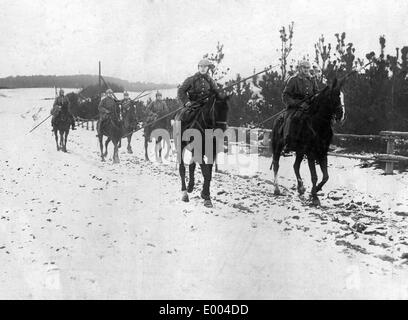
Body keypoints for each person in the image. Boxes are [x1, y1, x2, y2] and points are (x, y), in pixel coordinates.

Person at [281, 60, 318, 151]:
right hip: (296, 107)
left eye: (308, 68)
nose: (306, 70)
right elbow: (285, 95)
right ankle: (288, 142)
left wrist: (314, 100)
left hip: (309, 106)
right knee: (292, 119)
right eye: (304, 68)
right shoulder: (293, 80)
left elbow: (316, 92)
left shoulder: (312, 79)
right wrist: (294, 103)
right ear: (300, 68)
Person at [177, 59, 222, 123]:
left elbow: (216, 93)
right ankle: (181, 132)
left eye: (205, 67)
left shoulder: (211, 81)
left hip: (207, 105)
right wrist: (186, 102)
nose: (203, 69)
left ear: (208, 68)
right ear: (198, 68)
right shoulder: (191, 80)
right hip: (192, 105)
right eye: (201, 66)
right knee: (183, 117)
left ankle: (212, 132)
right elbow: (181, 90)